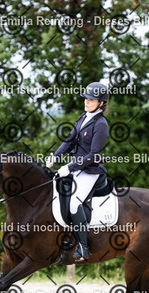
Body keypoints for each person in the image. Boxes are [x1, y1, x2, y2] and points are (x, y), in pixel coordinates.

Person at [46, 82, 110, 261]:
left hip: (90, 171)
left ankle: (83, 247)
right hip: (77, 167)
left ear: (101, 103)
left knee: (74, 203)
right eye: (86, 99)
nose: (87, 102)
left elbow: (93, 155)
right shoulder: (84, 117)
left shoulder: (101, 124)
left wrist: (69, 167)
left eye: (91, 100)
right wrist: (56, 157)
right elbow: (69, 141)